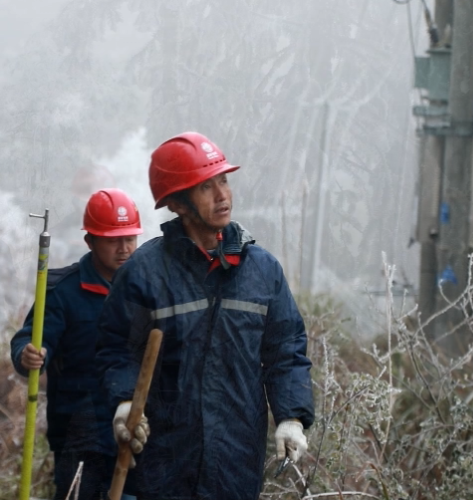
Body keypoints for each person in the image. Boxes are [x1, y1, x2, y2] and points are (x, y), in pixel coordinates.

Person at [96, 132, 315, 499]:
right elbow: (116, 349)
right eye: (205, 188)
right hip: (162, 467)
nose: (222, 195)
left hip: (236, 465)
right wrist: (123, 404)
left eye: (224, 181)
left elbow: (285, 351)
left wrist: (291, 417)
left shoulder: (262, 271)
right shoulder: (143, 274)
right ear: (178, 204)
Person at [10, 188, 143, 500]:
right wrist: (27, 353)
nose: (124, 248)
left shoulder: (147, 291)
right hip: (78, 432)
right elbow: (29, 338)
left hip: (136, 429)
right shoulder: (63, 292)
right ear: (90, 241)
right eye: (113, 239)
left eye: (130, 239)